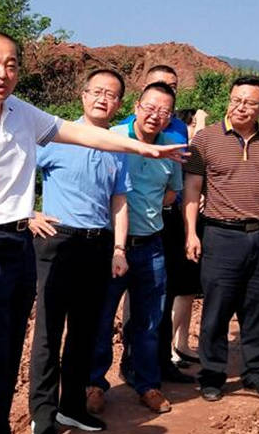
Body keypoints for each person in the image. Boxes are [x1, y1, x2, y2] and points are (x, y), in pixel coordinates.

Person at [0, 33, 185, 434]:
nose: (2, 73)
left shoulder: (22, 113)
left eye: (11, 65)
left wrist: (142, 147)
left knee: (8, 358)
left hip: (19, 245)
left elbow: (85, 136)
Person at [27, 68, 131, 434]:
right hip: (57, 241)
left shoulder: (117, 146)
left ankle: (71, 406)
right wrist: (28, 213)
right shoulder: (55, 136)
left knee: (85, 330)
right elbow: (19, 171)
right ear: (84, 96)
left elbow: (120, 200)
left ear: (119, 104)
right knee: (49, 332)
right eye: (97, 91)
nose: (103, 99)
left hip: (98, 244)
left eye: (111, 94)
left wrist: (118, 248)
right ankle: (42, 414)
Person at [183, 75, 259, 402]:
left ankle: (255, 372)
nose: (240, 107)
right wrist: (191, 232)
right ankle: (212, 375)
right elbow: (192, 188)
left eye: (249, 102)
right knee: (216, 309)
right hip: (221, 235)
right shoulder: (206, 138)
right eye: (236, 99)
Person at [88, 81, 182, 415]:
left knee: (148, 321)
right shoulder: (112, 137)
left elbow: (171, 193)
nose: (155, 116)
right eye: (150, 107)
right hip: (110, 246)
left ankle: (147, 384)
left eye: (164, 112)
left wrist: (147, 210)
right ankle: (94, 384)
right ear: (136, 107)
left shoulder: (172, 148)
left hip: (151, 246)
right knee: (101, 318)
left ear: (170, 118)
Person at [118, 66, 205, 383]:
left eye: (172, 87)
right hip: (120, 231)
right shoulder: (116, 134)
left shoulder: (177, 131)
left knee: (159, 300)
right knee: (124, 304)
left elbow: (175, 187)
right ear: (139, 101)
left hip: (162, 224)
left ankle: (157, 366)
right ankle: (122, 367)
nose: (157, 114)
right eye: (158, 86)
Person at [170, 108, 206, 364]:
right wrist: (201, 121)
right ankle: (170, 347)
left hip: (194, 224)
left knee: (189, 290)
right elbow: (197, 146)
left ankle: (181, 343)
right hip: (180, 225)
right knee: (181, 289)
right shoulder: (180, 151)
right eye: (192, 125)